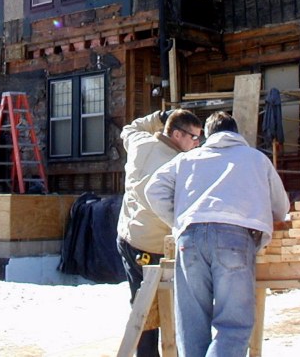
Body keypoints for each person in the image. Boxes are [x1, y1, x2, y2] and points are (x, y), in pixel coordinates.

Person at [144, 111, 290, 357]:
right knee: (233, 324)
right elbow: (281, 207)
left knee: (192, 325)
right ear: (236, 133)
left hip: (189, 240)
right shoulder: (256, 159)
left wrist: (179, 220)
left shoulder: (188, 159)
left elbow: (153, 189)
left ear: (207, 136)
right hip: (235, 238)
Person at [116, 108, 203, 357]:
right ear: (177, 134)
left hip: (128, 237)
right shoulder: (180, 165)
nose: (197, 143)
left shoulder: (140, 143)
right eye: (194, 137)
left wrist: (158, 117)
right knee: (164, 307)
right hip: (155, 246)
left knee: (141, 302)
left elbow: (129, 128)